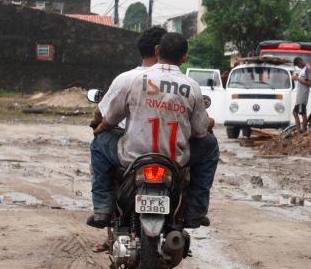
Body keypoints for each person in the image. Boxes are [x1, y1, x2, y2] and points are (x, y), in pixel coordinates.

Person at [88, 32, 219, 229]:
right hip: (175, 160)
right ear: (184, 57)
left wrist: (101, 128)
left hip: (132, 158)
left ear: (157, 50)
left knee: (98, 144)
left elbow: (111, 118)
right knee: (210, 145)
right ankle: (196, 212)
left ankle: (102, 208)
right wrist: (209, 123)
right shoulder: (192, 87)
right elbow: (200, 132)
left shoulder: (135, 80)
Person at [90, 26, 166, 131]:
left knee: (100, 140)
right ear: (160, 50)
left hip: (129, 141)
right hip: (169, 144)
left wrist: (97, 128)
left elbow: (101, 113)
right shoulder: (183, 84)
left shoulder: (125, 79)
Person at [291, 56, 311, 132]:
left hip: (302, 96)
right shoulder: (303, 69)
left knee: (302, 113)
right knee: (295, 113)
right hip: (299, 96)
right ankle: (299, 131)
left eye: (298, 65)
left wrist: (297, 79)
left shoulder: (307, 69)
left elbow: (310, 83)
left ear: (300, 62)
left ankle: (303, 131)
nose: (298, 67)